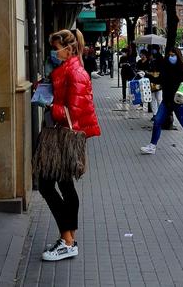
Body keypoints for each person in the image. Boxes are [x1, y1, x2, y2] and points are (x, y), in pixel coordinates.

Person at [40, 29, 101, 261]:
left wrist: (48, 104)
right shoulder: (66, 69)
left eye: (56, 49)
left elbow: (72, 113)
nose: (54, 53)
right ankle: (68, 239)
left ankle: (68, 241)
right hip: (61, 136)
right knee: (63, 187)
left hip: (65, 137)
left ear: (69, 49)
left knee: (48, 186)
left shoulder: (76, 72)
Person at [140, 47, 183, 155]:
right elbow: (159, 80)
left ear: (178, 56)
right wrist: (146, 75)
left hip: (179, 102)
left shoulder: (182, 71)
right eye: (169, 55)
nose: (171, 57)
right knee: (157, 121)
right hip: (167, 101)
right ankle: (152, 146)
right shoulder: (165, 68)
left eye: (173, 55)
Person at [146, 45, 163, 115]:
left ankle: (159, 113)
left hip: (158, 81)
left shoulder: (159, 58)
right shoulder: (150, 58)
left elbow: (159, 71)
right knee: (153, 98)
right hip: (152, 81)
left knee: (158, 98)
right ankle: (155, 114)